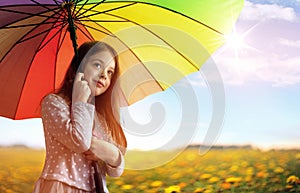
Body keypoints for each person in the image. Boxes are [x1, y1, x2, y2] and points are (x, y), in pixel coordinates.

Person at [33, 41, 127, 193]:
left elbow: (115, 171)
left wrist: (112, 153)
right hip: (62, 186)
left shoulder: (100, 116)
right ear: (78, 69)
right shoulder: (54, 103)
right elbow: (79, 142)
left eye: (110, 72)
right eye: (97, 65)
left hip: (95, 188)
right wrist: (80, 102)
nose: (104, 74)